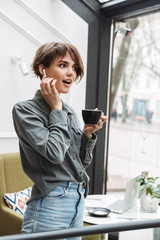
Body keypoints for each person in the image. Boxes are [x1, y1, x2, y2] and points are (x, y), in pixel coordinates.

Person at [12, 42, 107, 239]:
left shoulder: (69, 111)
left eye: (74, 67)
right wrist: (56, 109)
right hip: (51, 203)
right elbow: (55, 154)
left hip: (78, 200)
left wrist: (88, 134)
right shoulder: (25, 110)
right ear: (43, 69)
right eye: (63, 65)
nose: (71, 73)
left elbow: (79, 164)